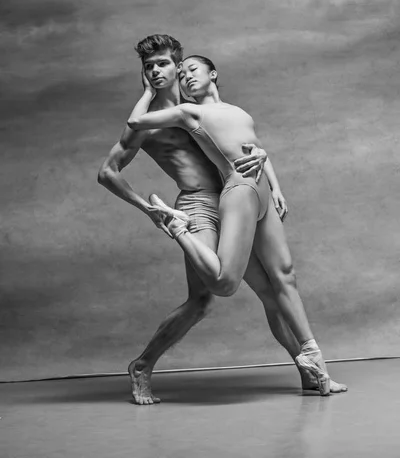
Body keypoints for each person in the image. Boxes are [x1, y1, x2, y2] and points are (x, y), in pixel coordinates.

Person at [128, 52, 347, 397]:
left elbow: (256, 148)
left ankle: (316, 368)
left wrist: (276, 187)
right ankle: (177, 226)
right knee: (224, 282)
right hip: (239, 189)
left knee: (284, 277)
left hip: (260, 190)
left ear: (214, 73)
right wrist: (146, 91)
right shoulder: (189, 113)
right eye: (181, 75)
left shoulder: (239, 112)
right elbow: (136, 123)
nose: (185, 78)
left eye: (192, 70)